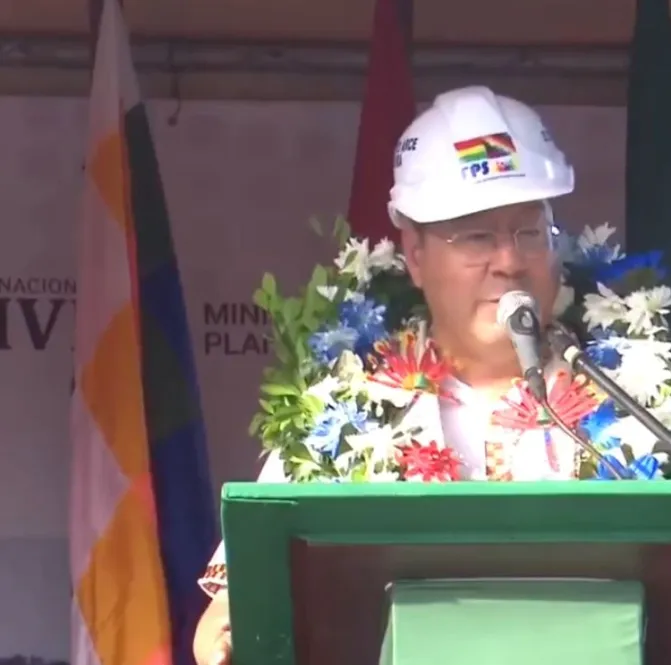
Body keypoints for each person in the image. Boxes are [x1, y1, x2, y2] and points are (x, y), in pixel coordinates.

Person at [192, 85, 577, 665]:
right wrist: (229, 624)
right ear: (416, 256)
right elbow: (235, 603)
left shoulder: (634, 404)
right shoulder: (345, 413)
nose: (509, 260)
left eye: (529, 232)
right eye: (476, 235)